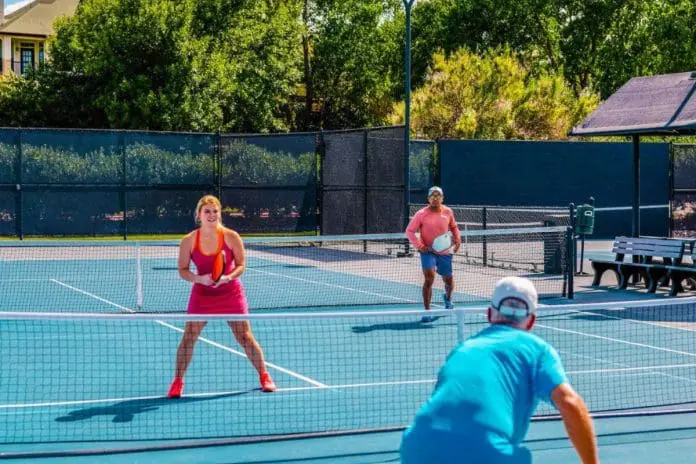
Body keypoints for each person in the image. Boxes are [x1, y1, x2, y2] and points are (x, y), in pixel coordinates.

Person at [400, 276, 599, 464]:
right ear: (531, 321)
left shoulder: (462, 349)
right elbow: (570, 403)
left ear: (489, 314)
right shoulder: (537, 350)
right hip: (488, 451)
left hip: (417, 446)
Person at [167, 195, 276, 398]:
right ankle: (177, 382)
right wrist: (200, 279)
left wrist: (228, 277)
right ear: (199, 214)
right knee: (189, 336)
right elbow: (182, 270)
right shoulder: (189, 241)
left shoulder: (231, 236)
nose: (212, 215)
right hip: (202, 293)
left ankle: (264, 376)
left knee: (244, 335)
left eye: (215, 211)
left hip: (230, 292)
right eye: (207, 211)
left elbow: (242, 264)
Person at [406, 186, 462, 323]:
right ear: (428, 199)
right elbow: (410, 231)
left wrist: (458, 241)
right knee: (429, 278)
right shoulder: (421, 214)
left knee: (448, 280)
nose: (435, 198)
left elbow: (454, 227)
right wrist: (420, 246)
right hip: (428, 251)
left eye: (438, 196)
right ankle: (427, 311)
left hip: (445, 251)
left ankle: (448, 298)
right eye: (432, 196)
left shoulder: (448, 212)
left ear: (442, 198)